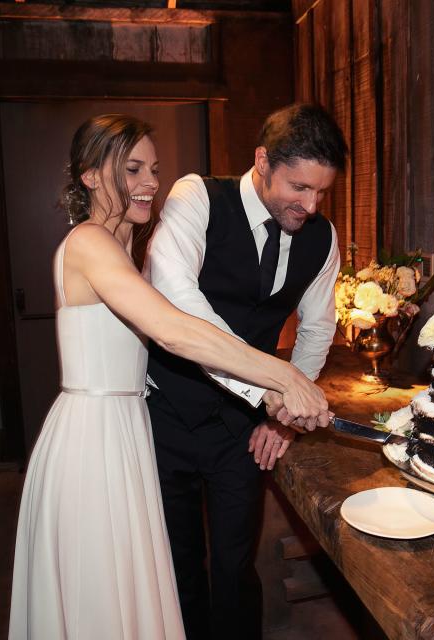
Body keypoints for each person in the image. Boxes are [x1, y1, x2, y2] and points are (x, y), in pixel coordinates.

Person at [7, 114, 330, 640]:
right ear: (90, 175)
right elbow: (175, 331)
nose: (151, 183)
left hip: (127, 428)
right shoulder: (90, 244)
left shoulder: (123, 252)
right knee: (103, 594)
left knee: (135, 589)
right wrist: (281, 377)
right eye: (132, 169)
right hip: (94, 439)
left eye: (154, 169)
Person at [144, 103, 347, 639]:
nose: (310, 205)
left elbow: (317, 328)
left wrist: (276, 419)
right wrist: (274, 388)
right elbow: (179, 301)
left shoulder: (322, 240)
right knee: (176, 566)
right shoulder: (196, 198)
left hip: (242, 431)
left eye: (322, 192)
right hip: (165, 415)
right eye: (299, 187)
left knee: (235, 567)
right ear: (262, 161)